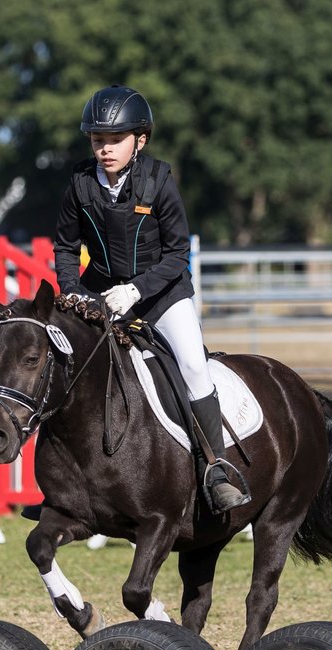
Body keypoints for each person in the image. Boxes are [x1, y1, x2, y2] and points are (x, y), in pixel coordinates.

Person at [53, 84, 250, 512]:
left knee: (195, 366)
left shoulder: (159, 181)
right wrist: (73, 293)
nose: (105, 149)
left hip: (162, 293)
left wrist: (137, 289)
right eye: (97, 140)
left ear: (139, 141)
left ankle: (216, 468)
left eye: (115, 140)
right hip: (100, 293)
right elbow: (66, 249)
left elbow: (178, 253)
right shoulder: (79, 184)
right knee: (64, 362)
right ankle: (62, 481)